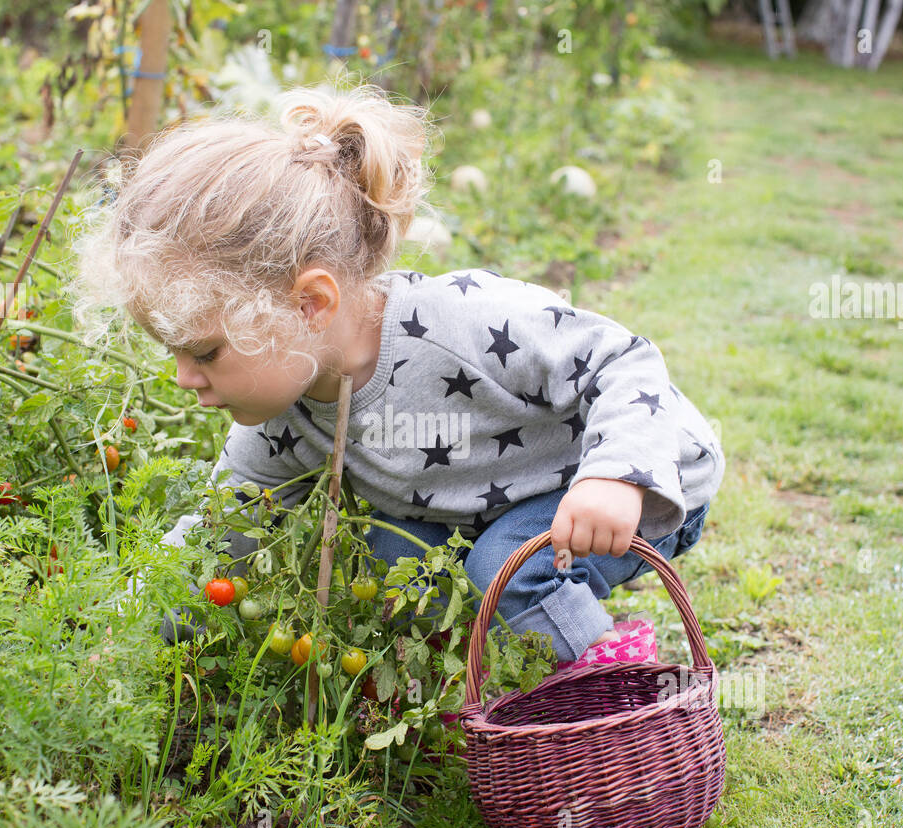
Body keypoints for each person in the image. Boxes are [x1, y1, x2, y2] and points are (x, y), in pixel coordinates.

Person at [72, 81, 724, 668]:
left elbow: (624, 359)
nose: (185, 378)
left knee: (506, 568)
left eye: (205, 352)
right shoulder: (285, 417)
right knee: (391, 554)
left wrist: (615, 478)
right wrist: (120, 625)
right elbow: (222, 531)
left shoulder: (464, 325)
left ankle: (612, 689)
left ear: (311, 304)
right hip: (500, 502)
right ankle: (466, 676)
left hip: (640, 474)